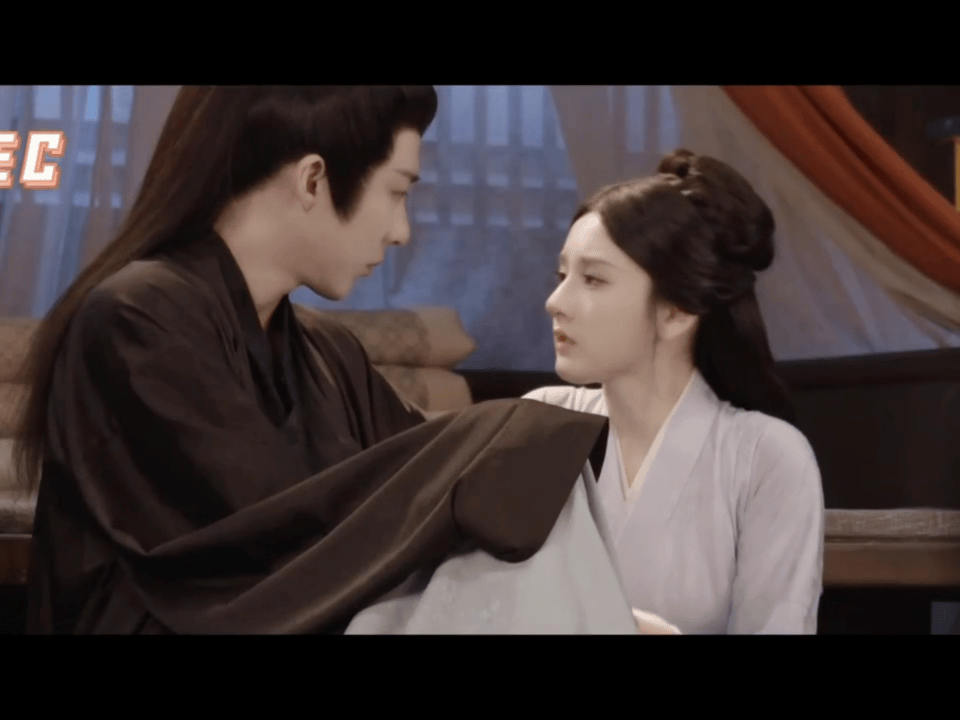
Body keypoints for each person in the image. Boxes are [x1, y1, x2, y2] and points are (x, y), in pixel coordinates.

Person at [12, 86, 619, 634]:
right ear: (312, 180)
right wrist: (507, 438)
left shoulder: (327, 352)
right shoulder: (135, 318)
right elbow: (271, 541)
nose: (401, 230)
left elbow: (415, 485)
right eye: (397, 192)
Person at [523, 149, 825, 634]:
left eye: (593, 279)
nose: (555, 302)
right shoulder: (539, 422)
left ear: (677, 311)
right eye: (562, 276)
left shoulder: (766, 458)